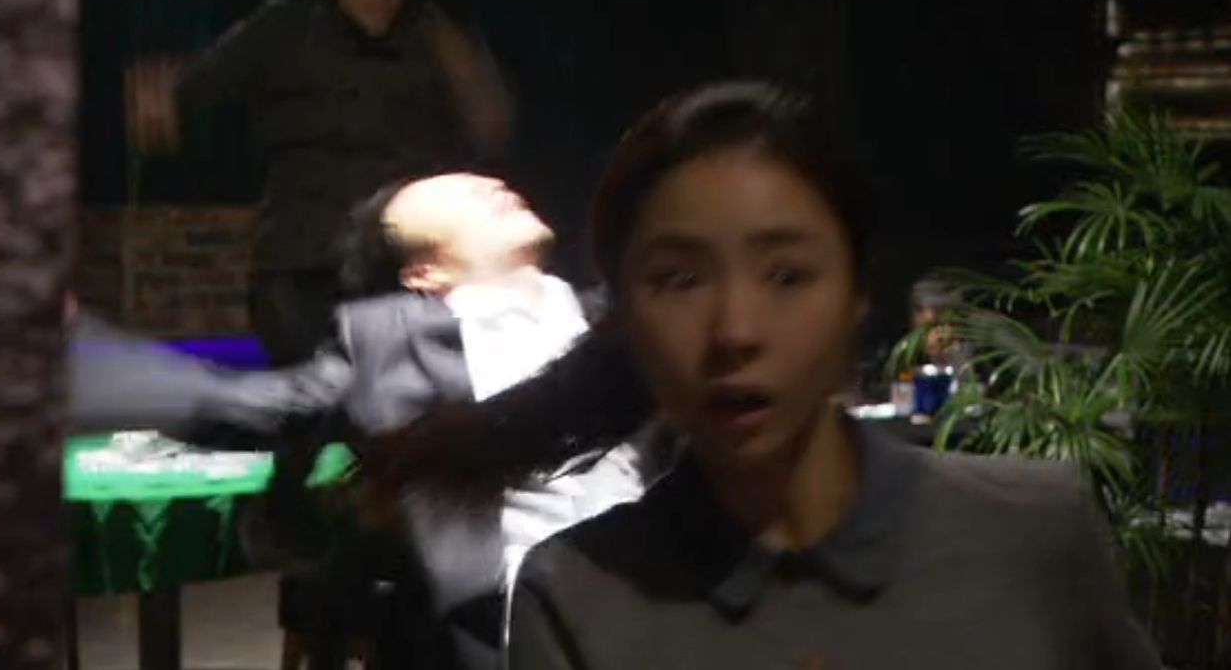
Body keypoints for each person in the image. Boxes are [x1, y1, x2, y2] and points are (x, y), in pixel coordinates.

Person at [481, 82, 1160, 669]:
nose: (735, 330)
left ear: (856, 296)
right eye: (680, 279)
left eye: (787, 275)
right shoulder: (576, 595)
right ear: (624, 317)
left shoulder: (1032, 532)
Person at [68, 171, 654, 670]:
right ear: (423, 273)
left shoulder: (626, 321)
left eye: (487, 182)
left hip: (666, 608)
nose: (490, 186)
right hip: (507, 633)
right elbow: (240, 405)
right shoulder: (385, 341)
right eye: (456, 192)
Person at [125, 0, 511, 367]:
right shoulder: (282, 29)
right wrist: (162, 99)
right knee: (321, 392)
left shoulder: (428, 39)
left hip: (394, 275)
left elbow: (490, 126)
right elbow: (193, 88)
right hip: (299, 270)